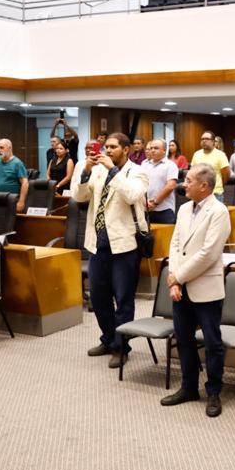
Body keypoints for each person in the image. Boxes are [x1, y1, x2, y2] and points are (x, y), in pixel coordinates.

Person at [74, 132, 149, 369]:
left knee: (123, 299)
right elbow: (79, 196)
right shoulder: (97, 170)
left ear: (126, 149)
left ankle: (121, 346)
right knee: (98, 297)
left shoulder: (137, 171)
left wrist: (113, 172)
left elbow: (132, 195)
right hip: (98, 244)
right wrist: (85, 172)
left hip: (124, 246)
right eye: (106, 147)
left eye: (113, 147)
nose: (107, 151)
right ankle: (107, 339)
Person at [162, 164, 232, 418]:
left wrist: (177, 277)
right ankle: (188, 387)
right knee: (184, 340)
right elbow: (175, 244)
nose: (184, 184)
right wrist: (175, 280)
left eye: (189, 180)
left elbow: (209, 254)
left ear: (204, 186)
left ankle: (213, 392)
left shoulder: (219, 211)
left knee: (213, 343)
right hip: (181, 287)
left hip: (206, 288)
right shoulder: (182, 209)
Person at [142, 139, 179, 225]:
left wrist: (155, 202)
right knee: (146, 237)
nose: (152, 150)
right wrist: (145, 202)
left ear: (164, 151)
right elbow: (140, 185)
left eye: (156, 148)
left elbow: (170, 186)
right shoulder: (144, 164)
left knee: (166, 237)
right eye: (151, 148)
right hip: (146, 209)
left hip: (164, 210)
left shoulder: (170, 165)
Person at [190, 131, 231, 202]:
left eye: (206, 139)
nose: (204, 141)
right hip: (199, 193)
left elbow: (226, 174)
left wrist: (219, 184)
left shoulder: (220, 155)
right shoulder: (196, 154)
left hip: (215, 193)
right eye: (202, 139)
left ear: (213, 141)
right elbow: (192, 172)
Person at [0, 139, 29, 213]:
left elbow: (25, 183)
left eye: (1, 147)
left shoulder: (17, 163)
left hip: (12, 201)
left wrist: (21, 201)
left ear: (9, 148)